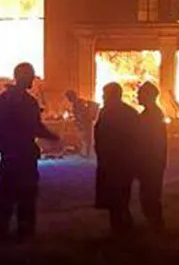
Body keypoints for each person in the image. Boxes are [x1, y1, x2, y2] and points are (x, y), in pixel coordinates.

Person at [0, 62, 60, 240]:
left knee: (6, 196)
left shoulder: (3, 99)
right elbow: (35, 127)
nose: (32, 80)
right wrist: (54, 136)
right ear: (25, 77)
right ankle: (25, 234)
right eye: (31, 76)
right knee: (26, 197)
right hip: (24, 156)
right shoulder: (28, 103)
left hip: (8, 156)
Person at [93, 82, 140, 233]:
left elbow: (101, 135)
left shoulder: (107, 112)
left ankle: (119, 226)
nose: (102, 97)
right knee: (122, 194)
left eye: (105, 94)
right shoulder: (130, 112)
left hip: (113, 161)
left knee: (115, 195)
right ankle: (124, 224)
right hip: (125, 161)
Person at [136, 81, 168, 231]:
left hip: (151, 161)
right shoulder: (151, 113)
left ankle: (156, 225)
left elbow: (148, 140)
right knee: (149, 193)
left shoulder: (152, 114)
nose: (137, 95)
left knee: (150, 194)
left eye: (140, 93)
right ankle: (155, 223)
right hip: (151, 161)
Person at [65, 90, 100, 157]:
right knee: (84, 138)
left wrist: (79, 120)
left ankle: (87, 153)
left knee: (86, 138)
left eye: (68, 97)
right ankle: (86, 153)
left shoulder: (80, 102)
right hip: (83, 123)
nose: (68, 99)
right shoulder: (77, 103)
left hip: (85, 123)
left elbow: (82, 113)